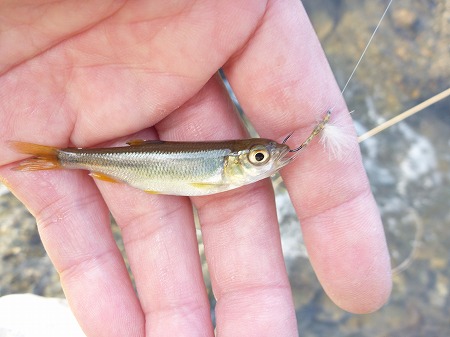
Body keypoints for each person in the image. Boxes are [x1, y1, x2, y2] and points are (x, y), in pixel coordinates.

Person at [0, 1, 392, 336]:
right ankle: (57, 158)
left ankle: (55, 157)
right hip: (131, 160)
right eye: (259, 157)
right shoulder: (216, 172)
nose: (268, 161)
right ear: (236, 161)